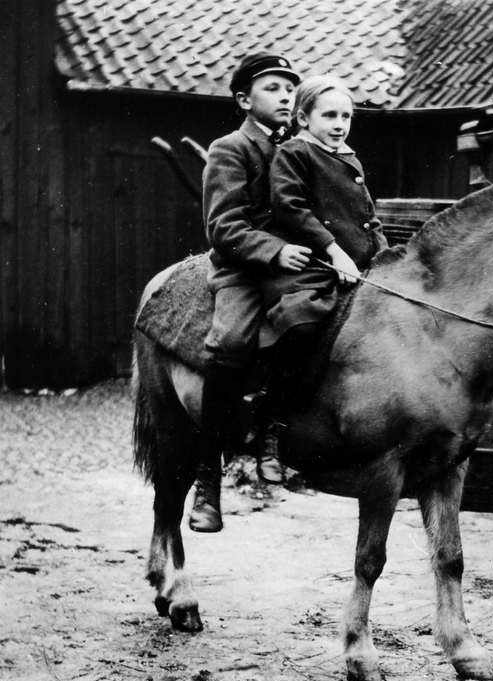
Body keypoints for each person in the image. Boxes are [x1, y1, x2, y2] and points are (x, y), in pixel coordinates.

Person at [193, 53, 311, 533]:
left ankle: (272, 432)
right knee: (233, 343)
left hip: (295, 268)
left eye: (291, 88)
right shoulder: (231, 148)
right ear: (244, 100)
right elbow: (223, 225)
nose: (286, 95)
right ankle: (207, 479)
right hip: (244, 269)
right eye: (273, 87)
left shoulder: (302, 147)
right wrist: (275, 251)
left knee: (313, 324)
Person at [259, 75, 388, 426]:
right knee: (300, 328)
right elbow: (290, 207)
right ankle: (273, 421)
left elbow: (369, 219)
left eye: (346, 117)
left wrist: (388, 258)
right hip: (308, 269)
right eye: (329, 116)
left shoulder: (349, 160)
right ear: (303, 118)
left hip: (356, 268)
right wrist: (333, 251)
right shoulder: (295, 153)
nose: (339, 125)